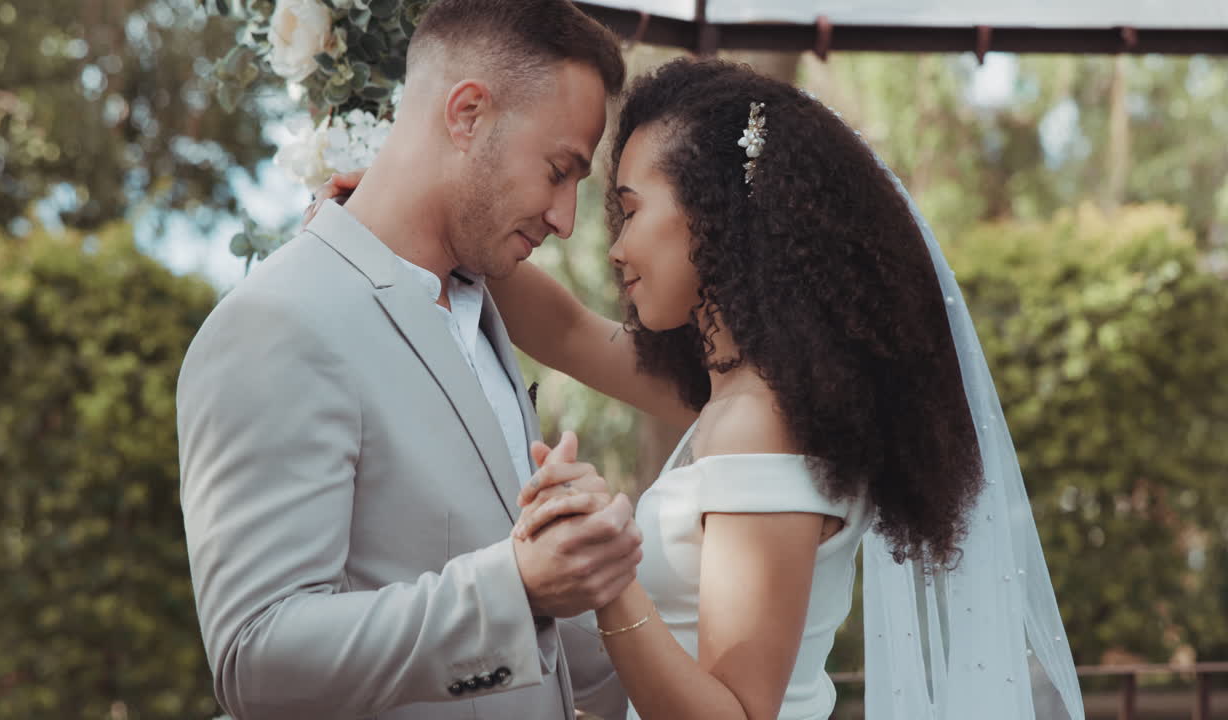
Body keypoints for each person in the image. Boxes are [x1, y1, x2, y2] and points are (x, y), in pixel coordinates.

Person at [320, 57, 1088, 719]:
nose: (615, 248)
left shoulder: (761, 421)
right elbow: (570, 333)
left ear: (718, 212)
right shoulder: (747, 394)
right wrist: (411, 210)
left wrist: (607, 572)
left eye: (628, 211)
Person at [175, 2, 640, 719]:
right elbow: (257, 657)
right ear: (467, 115)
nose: (565, 218)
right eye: (558, 170)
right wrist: (515, 586)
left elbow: (544, 657)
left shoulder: (483, 313)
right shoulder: (277, 321)